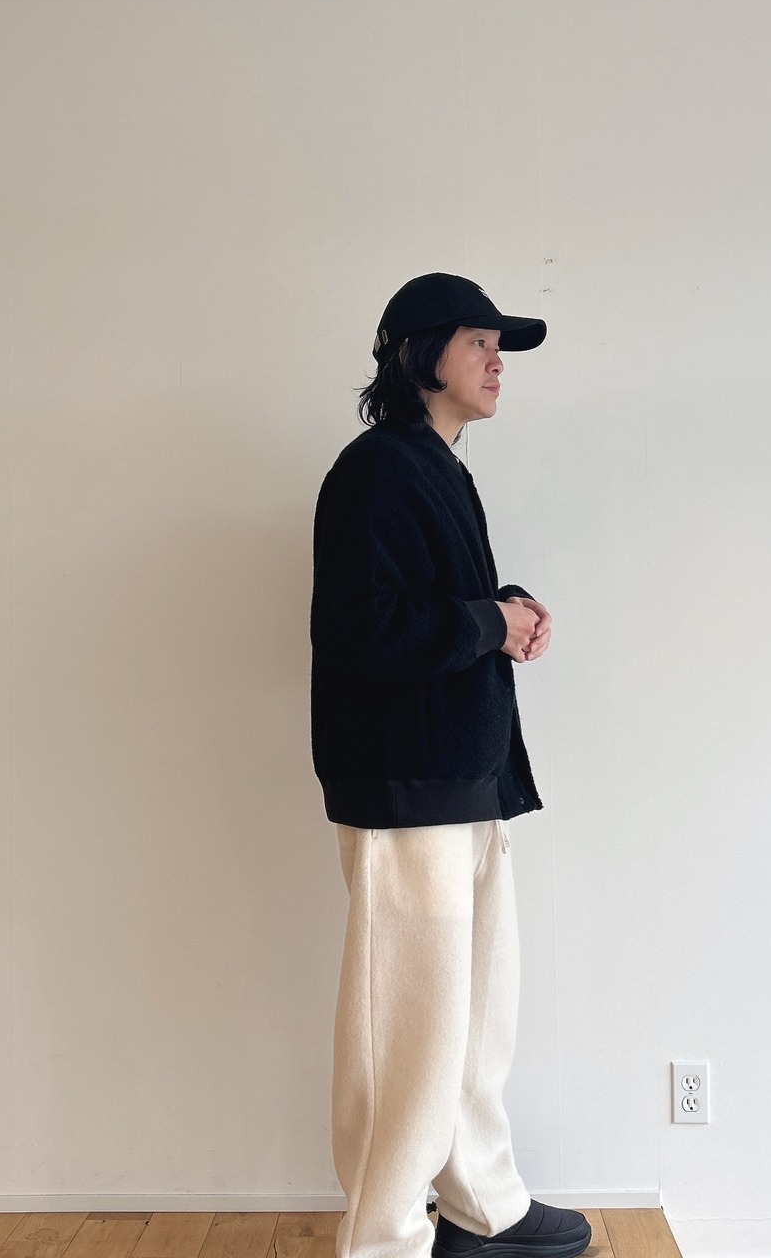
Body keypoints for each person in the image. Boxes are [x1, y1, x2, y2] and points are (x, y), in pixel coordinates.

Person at [309, 273, 592, 1258]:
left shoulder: (435, 468)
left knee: (474, 1018)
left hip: (460, 780)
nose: (496, 361)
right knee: (409, 1031)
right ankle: (381, 1237)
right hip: (405, 789)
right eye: (479, 341)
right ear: (419, 352)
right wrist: (486, 622)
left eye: (498, 346)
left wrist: (503, 610)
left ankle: (483, 1207)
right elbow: (359, 631)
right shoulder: (375, 470)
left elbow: (427, 607)